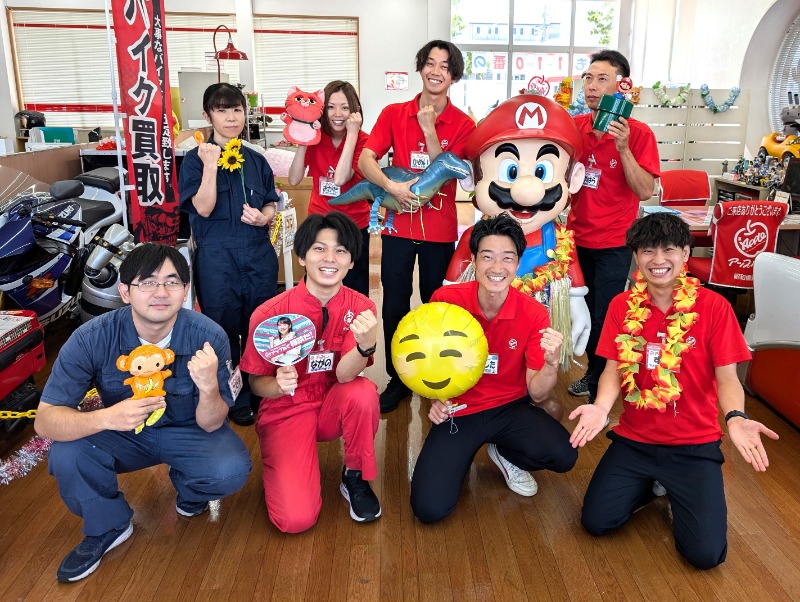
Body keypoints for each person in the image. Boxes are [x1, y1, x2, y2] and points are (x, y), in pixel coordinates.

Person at [569, 213, 779, 569]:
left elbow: (728, 378)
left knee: (705, 555)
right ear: (636, 256)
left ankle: (670, 484)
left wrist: (735, 417)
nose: (658, 260)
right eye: (647, 250)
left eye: (668, 249)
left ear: (685, 253)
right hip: (635, 439)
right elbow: (613, 370)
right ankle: (650, 484)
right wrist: (601, 408)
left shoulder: (714, 307)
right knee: (597, 521)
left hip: (693, 445)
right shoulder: (622, 306)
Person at [34, 244, 251, 583]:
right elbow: (45, 420)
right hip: (123, 432)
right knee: (67, 452)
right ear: (125, 291)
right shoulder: (91, 338)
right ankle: (109, 525)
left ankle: (190, 490)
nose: (160, 292)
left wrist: (209, 386)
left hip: (188, 431)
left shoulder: (209, 337)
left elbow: (212, 423)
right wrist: (107, 418)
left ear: (185, 290)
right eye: (147, 282)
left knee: (230, 468)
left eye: (172, 282)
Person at [410, 214, 578, 524]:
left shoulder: (534, 313)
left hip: (508, 408)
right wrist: (435, 398)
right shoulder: (445, 300)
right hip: (459, 409)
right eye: (487, 256)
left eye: (507, 258)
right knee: (429, 509)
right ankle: (457, 458)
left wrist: (551, 364)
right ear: (473, 259)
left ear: (518, 263)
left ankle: (504, 454)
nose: (497, 267)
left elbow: (537, 393)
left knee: (564, 455)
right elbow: (424, 361)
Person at [240, 211, 381, 533]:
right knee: (295, 520)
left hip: (333, 401)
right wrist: (277, 385)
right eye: (319, 248)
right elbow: (255, 383)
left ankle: (355, 474)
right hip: (287, 408)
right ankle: (285, 467)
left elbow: (345, 377)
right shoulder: (270, 313)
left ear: (351, 262)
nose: (330, 258)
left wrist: (366, 347)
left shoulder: (361, 307)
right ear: (302, 257)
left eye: (340, 251)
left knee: (363, 393)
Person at [358, 40, 476, 413]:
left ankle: (437, 372)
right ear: (421, 67)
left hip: (440, 230)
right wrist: (390, 186)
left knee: (436, 303)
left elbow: (453, 172)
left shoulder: (464, 124)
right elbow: (365, 159)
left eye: (445, 66)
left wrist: (429, 131)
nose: (436, 71)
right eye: (430, 63)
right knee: (394, 303)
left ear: (454, 76)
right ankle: (398, 377)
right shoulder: (395, 113)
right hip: (398, 228)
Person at [179, 82, 280, 426]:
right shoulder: (194, 161)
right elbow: (203, 209)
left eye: (237, 109)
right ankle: (233, 393)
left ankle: (259, 386)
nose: (231, 117)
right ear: (208, 116)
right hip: (217, 259)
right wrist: (210, 165)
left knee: (259, 323)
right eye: (222, 110)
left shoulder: (257, 159)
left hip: (257, 255)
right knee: (222, 328)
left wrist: (264, 216)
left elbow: (271, 200)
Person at [566, 50, 660, 403]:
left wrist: (623, 148)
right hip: (573, 240)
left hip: (614, 243)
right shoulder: (575, 128)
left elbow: (645, 190)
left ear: (622, 86)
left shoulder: (638, 134)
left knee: (605, 314)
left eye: (602, 79)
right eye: (588, 78)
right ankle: (592, 374)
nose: (591, 86)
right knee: (578, 310)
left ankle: (598, 382)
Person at [288, 80, 371, 296]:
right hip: (319, 221)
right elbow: (294, 179)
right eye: (331, 107)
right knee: (318, 285)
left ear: (355, 111)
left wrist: (352, 135)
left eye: (345, 108)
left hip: (354, 224)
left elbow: (341, 178)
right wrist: (303, 139)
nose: (337, 114)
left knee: (353, 288)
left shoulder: (364, 141)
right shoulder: (317, 136)